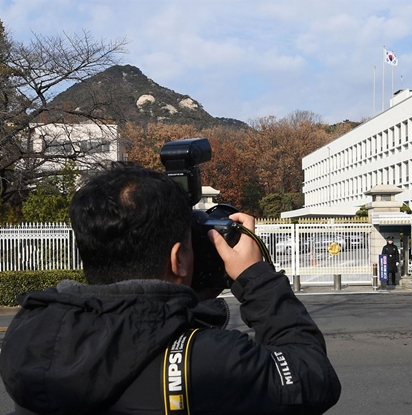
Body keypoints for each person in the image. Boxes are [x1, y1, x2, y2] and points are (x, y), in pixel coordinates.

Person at [0, 162, 341, 414]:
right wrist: (256, 277)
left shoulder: (34, 337)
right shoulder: (211, 360)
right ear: (178, 259)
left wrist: (182, 301)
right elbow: (312, 376)